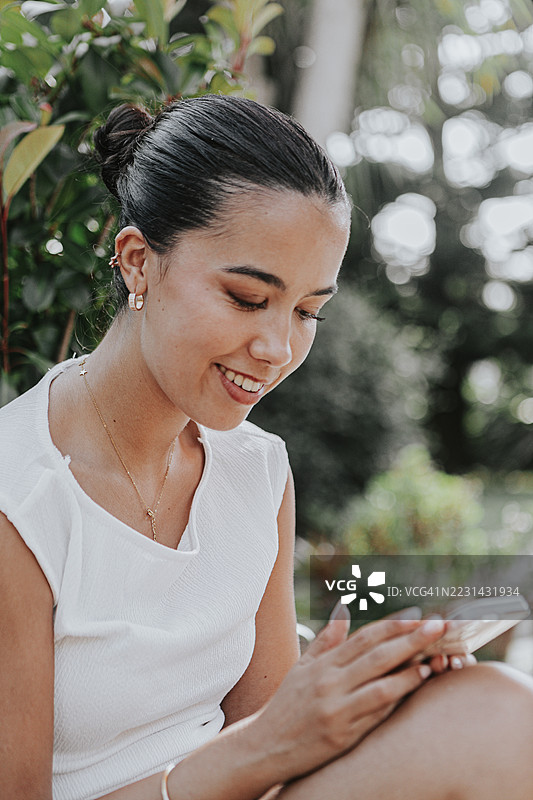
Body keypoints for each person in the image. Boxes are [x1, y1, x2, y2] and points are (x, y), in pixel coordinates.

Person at [1, 95, 533, 800]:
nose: (277, 348)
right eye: (248, 298)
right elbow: (259, 747)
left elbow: (271, 735)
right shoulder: (20, 500)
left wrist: (365, 682)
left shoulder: (253, 468)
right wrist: (265, 743)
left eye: (308, 311)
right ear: (137, 262)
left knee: (491, 709)